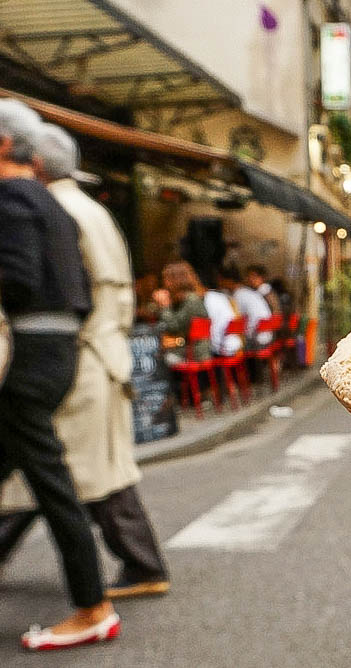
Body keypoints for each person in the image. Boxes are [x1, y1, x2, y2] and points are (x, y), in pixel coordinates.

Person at [0, 123, 170, 598]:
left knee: (67, 471)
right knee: (72, 468)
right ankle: (139, 565)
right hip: (95, 352)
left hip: (79, 353)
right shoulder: (84, 207)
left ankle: (134, 569)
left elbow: (61, 290)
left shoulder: (51, 208)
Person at [0, 99, 119, 650]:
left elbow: (19, 279)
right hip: (58, 350)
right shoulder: (52, 203)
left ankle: (93, 605)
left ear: (4, 144)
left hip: (27, 354)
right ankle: (92, 601)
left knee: (53, 485)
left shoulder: (11, 198)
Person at [154, 261, 211, 365]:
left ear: (175, 280)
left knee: (157, 358)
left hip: (194, 353)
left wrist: (164, 306)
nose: (163, 283)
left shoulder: (191, 300)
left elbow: (174, 327)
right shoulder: (188, 298)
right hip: (193, 350)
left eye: (165, 279)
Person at [218, 265, 273, 347]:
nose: (219, 284)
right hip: (268, 336)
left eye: (221, 280)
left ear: (228, 281)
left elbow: (234, 318)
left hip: (256, 340)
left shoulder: (239, 294)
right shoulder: (249, 292)